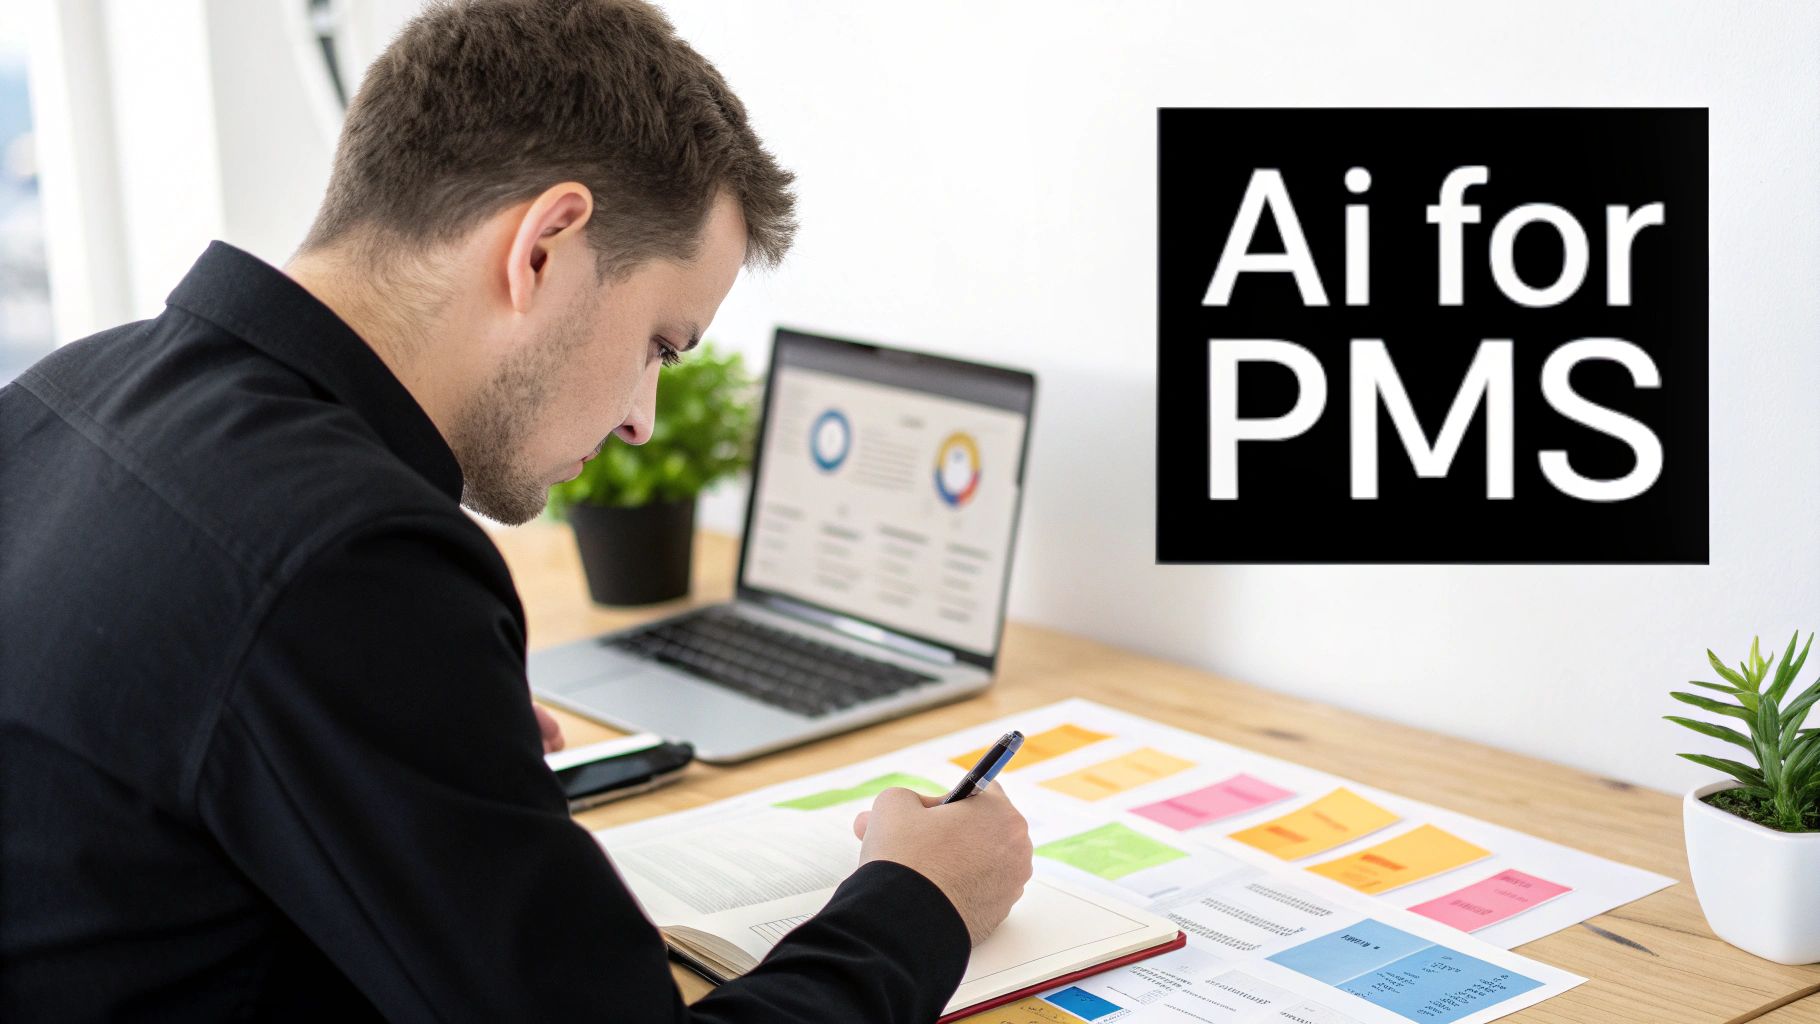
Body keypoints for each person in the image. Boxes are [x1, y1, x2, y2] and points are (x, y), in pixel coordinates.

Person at [0, 1, 1033, 1020]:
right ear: (543, 247)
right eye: (659, 346)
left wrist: (428, 759)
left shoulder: (65, 393)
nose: (642, 417)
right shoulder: (349, 556)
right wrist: (920, 899)